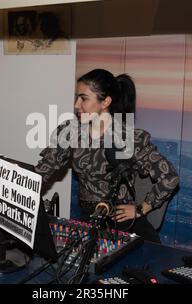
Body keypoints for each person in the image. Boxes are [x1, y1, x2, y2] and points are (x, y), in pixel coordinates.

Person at [34, 69, 179, 243]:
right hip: (89, 219)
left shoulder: (127, 138)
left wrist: (141, 209)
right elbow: (43, 170)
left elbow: (169, 178)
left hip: (120, 222)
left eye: (84, 98)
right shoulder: (70, 133)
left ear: (106, 102)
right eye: (76, 97)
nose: (76, 105)